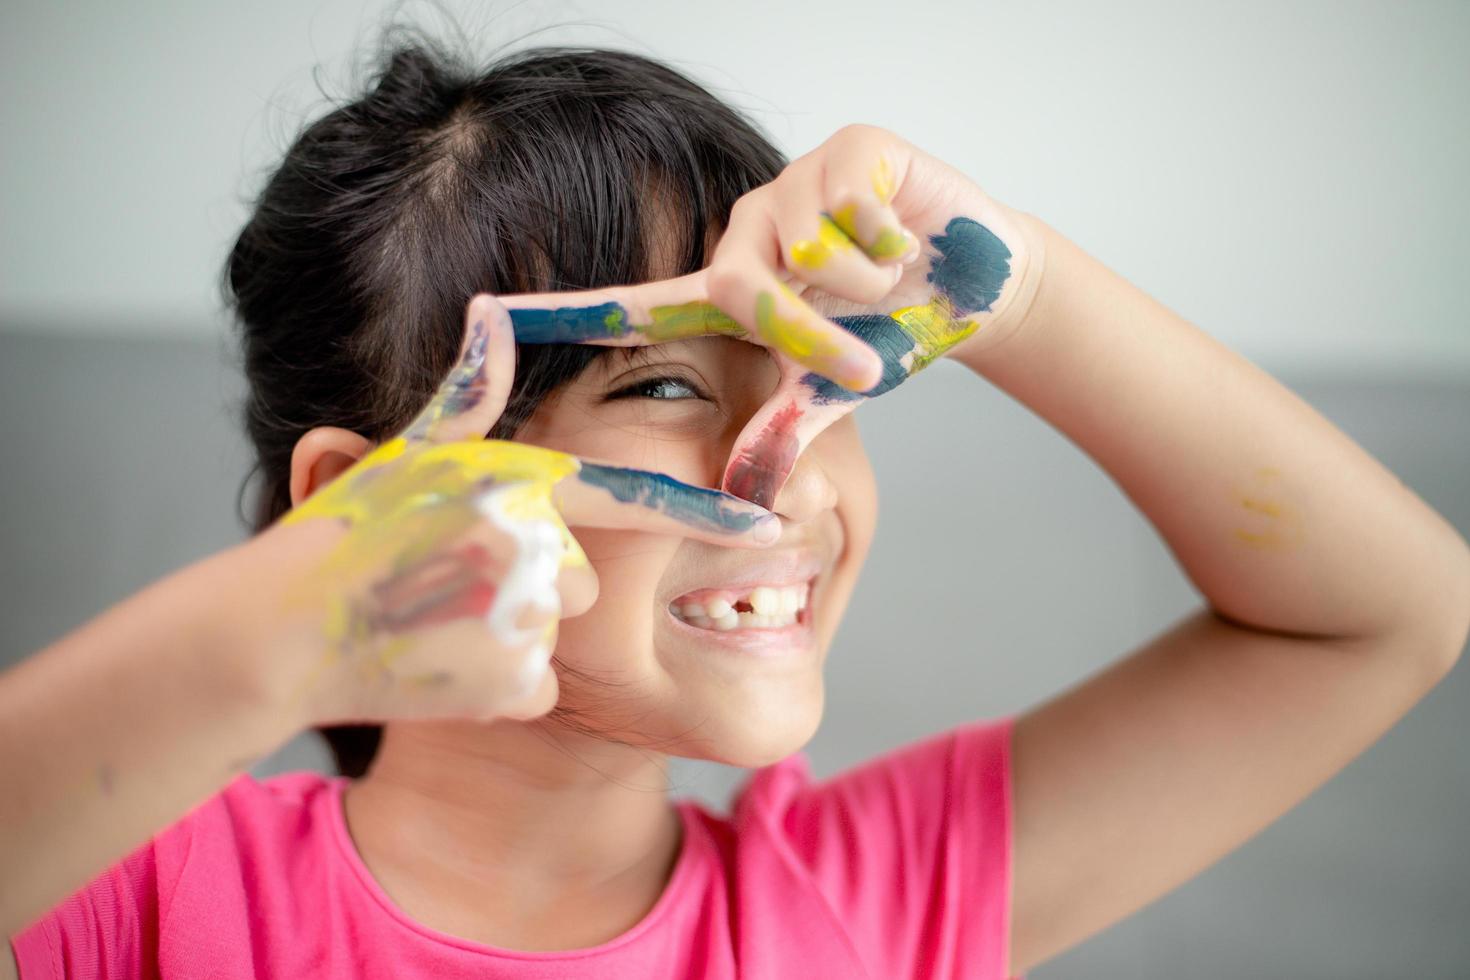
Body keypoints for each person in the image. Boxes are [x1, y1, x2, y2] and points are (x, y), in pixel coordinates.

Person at [3, 36, 1467, 980]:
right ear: (355, 506)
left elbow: (1375, 619)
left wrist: (1004, 282)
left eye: (827, 382)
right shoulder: (126, 900)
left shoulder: (866, 908)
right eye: (661, 386)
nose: (787, 471)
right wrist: (283, 626)